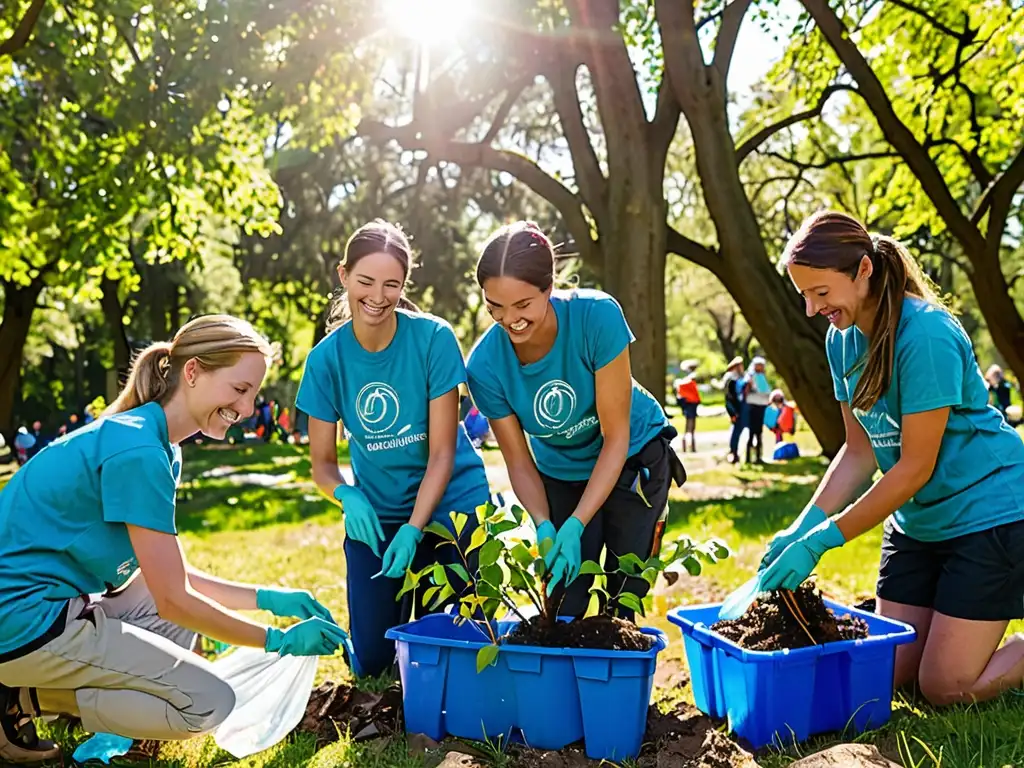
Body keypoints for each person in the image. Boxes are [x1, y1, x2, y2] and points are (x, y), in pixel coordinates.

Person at [0, 315, 346, 764]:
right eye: (239, 389)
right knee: (210, 703)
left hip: (48, 610)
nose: (245, 409)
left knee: (181, 612)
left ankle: (46, 698)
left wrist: (270, 597)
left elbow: (168, 580)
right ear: (193, 372)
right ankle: (20, 699)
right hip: (21, 625)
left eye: (252, 394)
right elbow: (173, 600)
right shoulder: (140, 450)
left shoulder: (160, 443)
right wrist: (276, 639)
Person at [756, 211, 1024, 707]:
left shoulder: (925, 335)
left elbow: (914, 468)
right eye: (804, 296)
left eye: (821, 293)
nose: (813, 310)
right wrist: (801, 526)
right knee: (890, 671)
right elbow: (858, 452)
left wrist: (824, 540)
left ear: (863, 270)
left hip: (987, 517)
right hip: (918, 525)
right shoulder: (841, 339)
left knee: (944, 687)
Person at [297, 220, 490, 679]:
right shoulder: (326, 360)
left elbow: (442, 453)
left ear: (405, 286)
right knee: (372, 662)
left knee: (449, 648)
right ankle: (376, 630)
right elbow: (322, 465)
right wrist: (347, 495)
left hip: (450, 510)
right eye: (365, 282)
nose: (378, 296)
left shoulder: (433, 339)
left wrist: (415, 529)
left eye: (392, 284)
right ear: (343, 276)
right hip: (378, 517)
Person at [465, 221, 685, 619]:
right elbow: (517, 460)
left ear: (548, 288)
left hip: (632, 455)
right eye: (494, 306)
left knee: (624, 593)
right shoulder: (484, 365)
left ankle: (618, 676)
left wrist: (577, 523)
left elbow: (615, 437)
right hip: (559, 470)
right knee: (563, 603)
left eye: (522, 305)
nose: (508, 319)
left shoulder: (596, 318)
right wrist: (546, 524)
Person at [742, 356, 772, 464]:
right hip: (752, 405)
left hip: (761, 406)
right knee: (751, 432)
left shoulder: (762, 377)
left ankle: (758, 457)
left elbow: (767, 390)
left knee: (759, 432)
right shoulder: (749, 376)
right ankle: (748, 458)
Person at [674, 363, 701, 453]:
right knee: (690, 427)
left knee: (689, 427)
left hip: (690, 405)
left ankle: (688, 447)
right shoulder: (690, 380)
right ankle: (689, 447)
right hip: (691, 405)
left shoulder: (686, 380)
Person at [723, 356, 745, 464]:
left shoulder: (738, 378)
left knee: (738, 431)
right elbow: (729, 398)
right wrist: (733, 412)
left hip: (740, 409)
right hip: (735, 410)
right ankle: (733, 452)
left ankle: (736, 451)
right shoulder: (731, 380)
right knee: (736, 432)